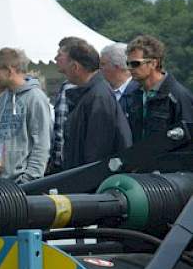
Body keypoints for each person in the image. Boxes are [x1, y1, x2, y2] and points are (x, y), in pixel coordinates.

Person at [60, 40, 132, 170]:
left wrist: (85, 182)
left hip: (90, 182)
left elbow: (97, 151)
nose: (63, 72)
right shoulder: (91, 95)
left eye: (65, 70)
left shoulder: (98, 97)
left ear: (75, 67)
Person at [0, 48, 52, 183]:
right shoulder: (1, 100)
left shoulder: (36, 98)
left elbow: (42, 143)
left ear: (10, 70)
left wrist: (29, 179)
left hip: (24, 183)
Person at [124, 34, 193, 144]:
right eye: (128, 64)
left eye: (135, 63)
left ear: (153, 63)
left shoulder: (178, 96)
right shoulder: (134, 96)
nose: (130, 68)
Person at [49, 36, 87, 173]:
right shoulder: (66, 86)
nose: (55, 58)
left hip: (72, 164)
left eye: (60, 55)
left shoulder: (80, 87)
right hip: (63, 163)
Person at [101, 43, 140, 114]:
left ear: (116, 67)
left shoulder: (139, 95)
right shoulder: (101, 92)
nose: (100, 68)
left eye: (103, 64)